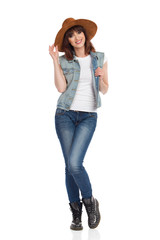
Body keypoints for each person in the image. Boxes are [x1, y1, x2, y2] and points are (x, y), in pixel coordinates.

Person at [49, 17, 109, 230]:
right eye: (71, 35)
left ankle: (90, 202)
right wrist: (56, 61)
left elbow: (104, 89)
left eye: (78, 33)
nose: (76, 37)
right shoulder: (65, 60)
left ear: (85, 34)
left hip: (88, 117)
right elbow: (60, 88)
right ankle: (76, 215)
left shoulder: (99, 58)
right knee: (69, 167)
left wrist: (101, 77)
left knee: (75, 164)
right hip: (64, 114)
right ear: (68, 40)